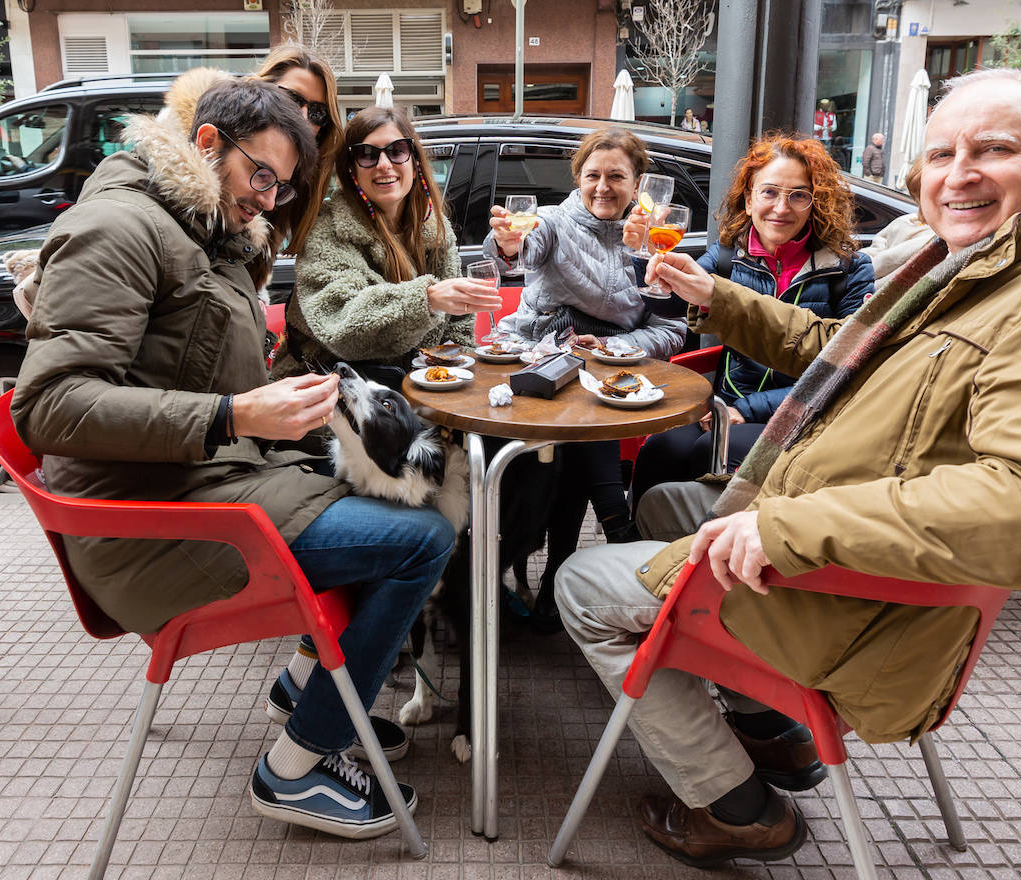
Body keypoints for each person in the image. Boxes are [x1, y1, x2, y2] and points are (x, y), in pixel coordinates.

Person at [554, 68, 1021, 867]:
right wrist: (719, 295)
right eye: (944, 152)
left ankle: (737, 806)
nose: (959, 174)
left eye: (994, 150)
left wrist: (786, 526)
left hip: (870, 608)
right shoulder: (984, 267)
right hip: (847, 546)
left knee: (581, 584)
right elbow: (837, 357)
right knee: (670, 501)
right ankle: (770, 728)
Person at [9, 79, 455, 841]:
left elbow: (195, 367)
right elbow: (49, 407)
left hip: (201, 482)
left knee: (402, 497)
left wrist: (293, 407)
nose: (269, 200)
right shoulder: (122, 226)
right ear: (208, 143)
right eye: (262, 176)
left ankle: (312, 691)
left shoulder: (202, 232)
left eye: (281, 187)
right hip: (146, 523)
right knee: (424, 538)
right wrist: (235, 414)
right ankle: (297, 765)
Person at [483, 128, 687, 624]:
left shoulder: (656, 238)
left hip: (607, 369)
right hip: (539, 355)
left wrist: (616, 346)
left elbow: (672, 326)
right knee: (580, 411)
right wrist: (507, 244)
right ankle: (611, 522)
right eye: (592, 175)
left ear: (637, 183)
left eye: (616, 176)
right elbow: (520, 249)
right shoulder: (553, 221)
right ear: (577, 179)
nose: (603, 187)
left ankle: (560, 577)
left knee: (583, 418)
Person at [628, 133, 874, 513]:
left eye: (798, 195)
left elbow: (851, 366)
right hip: (724, 403)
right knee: (661, 450)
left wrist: (749, 409)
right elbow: (674, 303)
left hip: (800, 414)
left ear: (815, 202)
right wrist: (645, 253)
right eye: (769, 192)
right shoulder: (729, 257)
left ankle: (700, 562)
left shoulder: (848, 269)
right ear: (749, 198)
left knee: (712, 453)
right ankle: (636, 548)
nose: (781, 207)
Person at [7, 43, 346, 317]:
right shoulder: (184, 163)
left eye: (316, 113)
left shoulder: (288, 186)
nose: (302, 117)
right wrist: (233, 406)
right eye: (292, 99)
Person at [270, 105, 499, 388]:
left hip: (417, 393)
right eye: (367, 154)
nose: (384, 164)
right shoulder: (328, 229)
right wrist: (425, 299)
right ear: (351, 168)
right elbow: (341, 324)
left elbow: (458, 325)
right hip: (327, 397)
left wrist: (458, 379)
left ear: (414, 159)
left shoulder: (435, 226)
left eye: (397, 150)